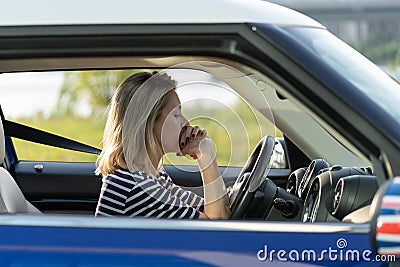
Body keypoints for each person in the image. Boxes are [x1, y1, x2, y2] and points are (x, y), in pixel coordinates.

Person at [95, 71, 231, 219]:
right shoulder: (137, 187)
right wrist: (205, 153)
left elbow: (209, 208)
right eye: (176, 115)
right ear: (149, 122)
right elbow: (215, 225)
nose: (186, 122)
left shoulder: (153, 177)